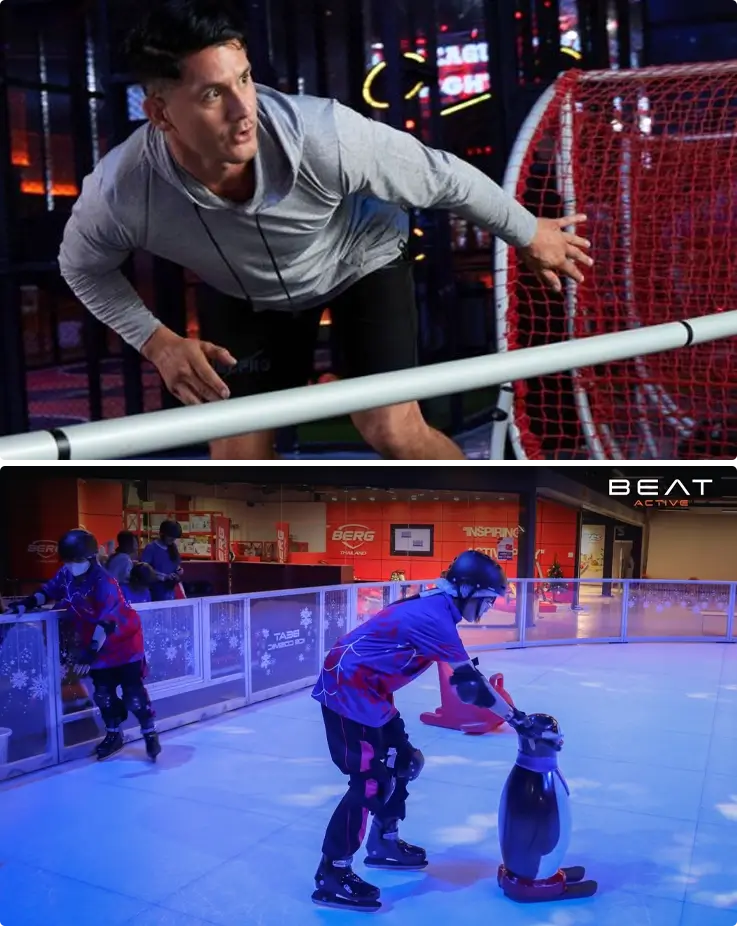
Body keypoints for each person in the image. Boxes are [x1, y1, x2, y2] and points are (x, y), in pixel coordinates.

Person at [57, 0, 593, 463]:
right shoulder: (122, 189)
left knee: (390, 427)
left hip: (361, 257)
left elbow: (442, 176)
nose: (245, 109)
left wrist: (528, 232)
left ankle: (492, 527)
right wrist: (157, 343)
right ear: (161, 113)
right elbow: (81, 266)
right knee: (236, 448)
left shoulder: (324, 135)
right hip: (245, 290)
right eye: (212, 95)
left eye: (244, 78)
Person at [310, 550, 533, 912]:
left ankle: (384, 843)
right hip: (347, 689)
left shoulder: (440, 605)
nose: (489, 606)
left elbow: (464, 680)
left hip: (370, 689)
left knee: (405, 762)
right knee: (370, 781)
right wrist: (517, 719)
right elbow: (470, 686)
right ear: (464, 589)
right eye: (486, 599)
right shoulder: (435, 616)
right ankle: (331, 873)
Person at [11, 529, 161, 762]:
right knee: (103, 695)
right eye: (68, 561)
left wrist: (90, 651)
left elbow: (107, 621)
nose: (71, 566)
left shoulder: (105, 582)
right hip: (96, 646)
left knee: (133, 694)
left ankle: (149, 732)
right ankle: (114, 734)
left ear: (90, 558)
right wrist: (26, 604)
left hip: (123, 644)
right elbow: (48, 591)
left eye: (76, 560)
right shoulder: (67, 574)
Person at [141, 520, 185, 600]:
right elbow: (144, 570)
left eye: (174, 537)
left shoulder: (173, 547)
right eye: (170, 536)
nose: (173, 539)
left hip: (172, 591)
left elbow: (176, 565)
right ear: (162, 534)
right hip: (156, 591)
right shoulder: (151, 548)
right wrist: (164, 577)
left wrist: (179, 570)